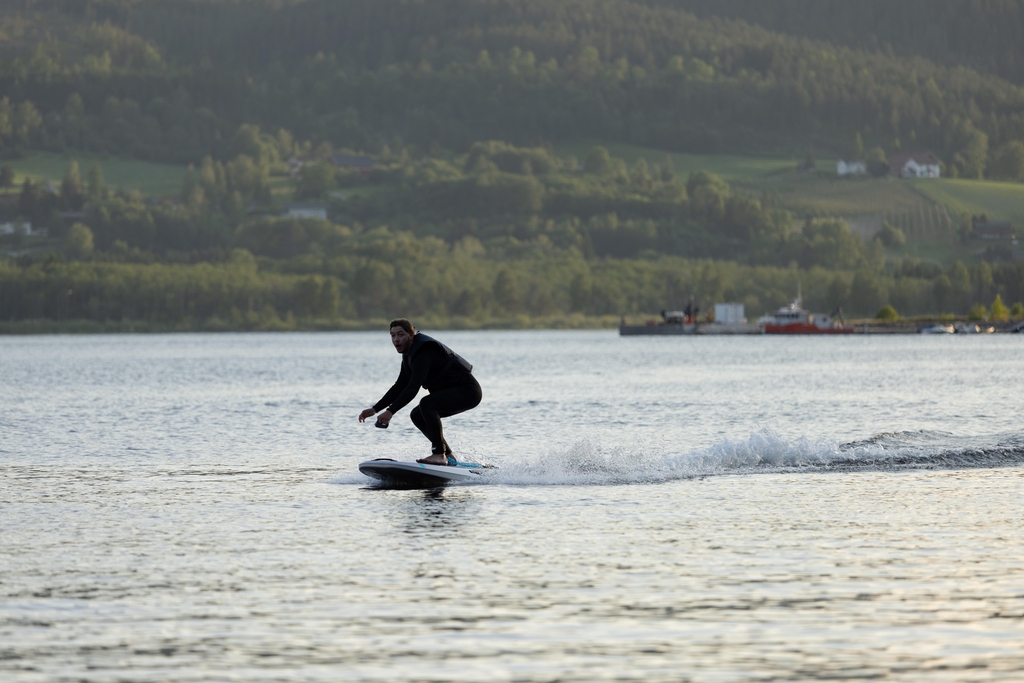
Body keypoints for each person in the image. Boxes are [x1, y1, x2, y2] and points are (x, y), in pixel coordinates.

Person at [358, 319, 482, 465]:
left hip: (468, 392)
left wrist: (391, 411)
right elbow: (400, 386)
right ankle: (448, 456)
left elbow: (413, 387)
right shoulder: (409, 354)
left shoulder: (424, 351)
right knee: (417, 414)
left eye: (400, 335)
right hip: (457, 391)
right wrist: (375, 408)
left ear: (411, 335)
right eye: (392, 335)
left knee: (427, 404)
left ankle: (438, 454)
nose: (396, 339)